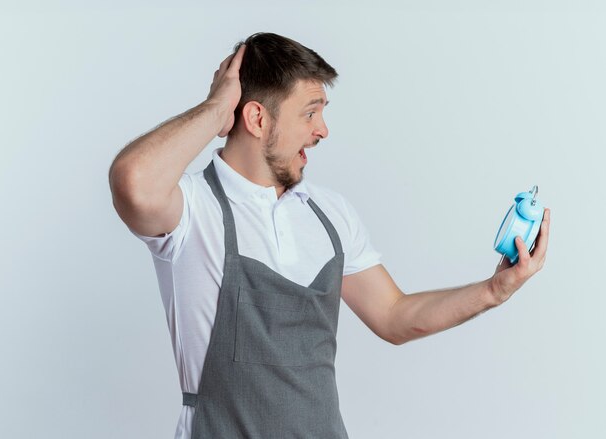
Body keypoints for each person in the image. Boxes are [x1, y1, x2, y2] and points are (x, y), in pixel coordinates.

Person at [108, 32, 550, 439]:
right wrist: (215, 109)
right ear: (256, 118)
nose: (323, 130)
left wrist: (495, 290)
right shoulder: (191, 208)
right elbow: (132, 181)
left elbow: (394, 317)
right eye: (310, 113)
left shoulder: (329, 215)